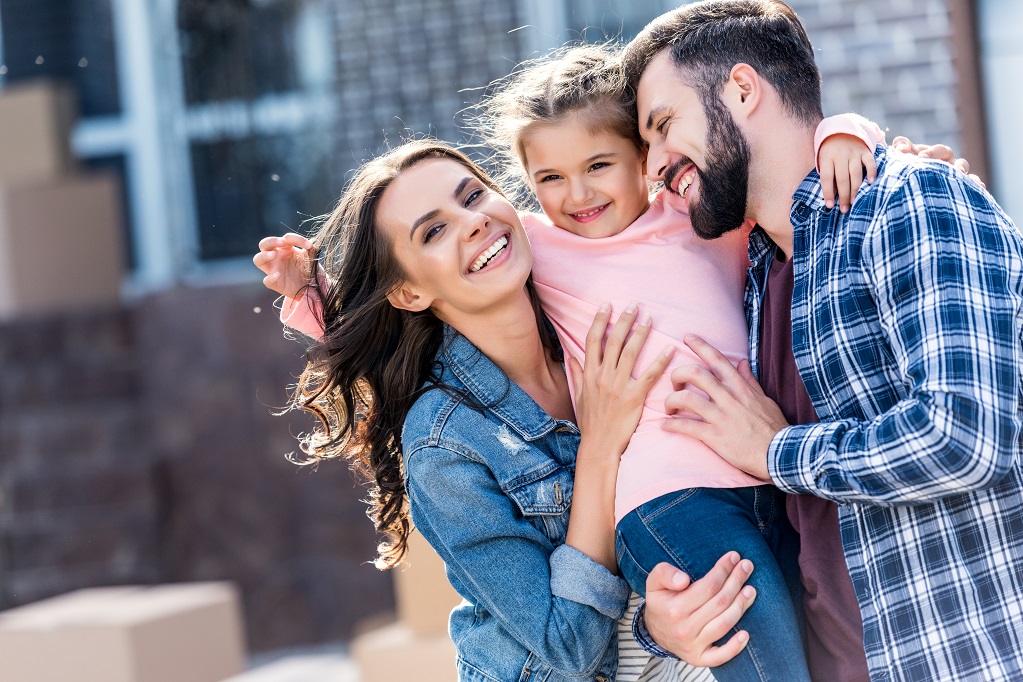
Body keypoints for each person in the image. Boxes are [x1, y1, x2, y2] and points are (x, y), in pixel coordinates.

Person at [254, 139, 757, 682]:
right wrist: (599, 448)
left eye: (472, 196)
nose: (472, 223)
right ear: (409, 292)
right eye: (434, 231)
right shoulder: (444, 446)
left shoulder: (582, 304)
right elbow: (566, 645)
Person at [623, 1, 1023, 681]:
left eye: (663, 126)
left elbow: (966, 437)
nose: (654, 164)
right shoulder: (748, 279)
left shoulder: (908, 202)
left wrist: (774, 450)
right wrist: (657, 627)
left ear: (742, 90)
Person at [468, 43, 883, 682]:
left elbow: (786, 176)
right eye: (548, 178)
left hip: (771, 481)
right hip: (670, 502)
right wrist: (312, 297)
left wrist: (845, 133)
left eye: (598, 164)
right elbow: (432, 290)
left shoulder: (706, 218)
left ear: (645, 157)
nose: (575, 194)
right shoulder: (539, 250)